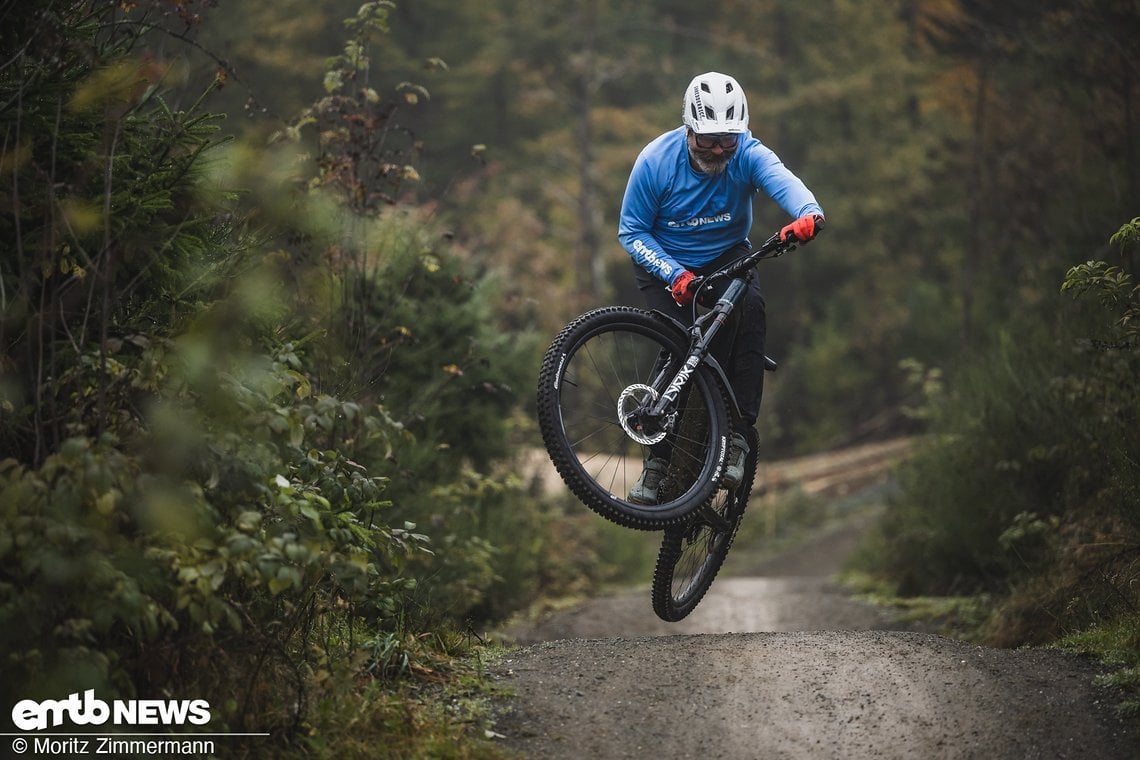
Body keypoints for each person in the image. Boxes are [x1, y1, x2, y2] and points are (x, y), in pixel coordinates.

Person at [618, 71, 825, 505]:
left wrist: (807, 212)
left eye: (728, 140)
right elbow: (632, 233)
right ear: (689, 127)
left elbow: (782, 179)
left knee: (749, 312)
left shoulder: (747, 154)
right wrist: (674, 275)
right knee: (678, 344)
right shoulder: (655, 161)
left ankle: (737, 437)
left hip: (726, 256)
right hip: (664, 263)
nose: (718, 149)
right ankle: (657, 461)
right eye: (709, 138)